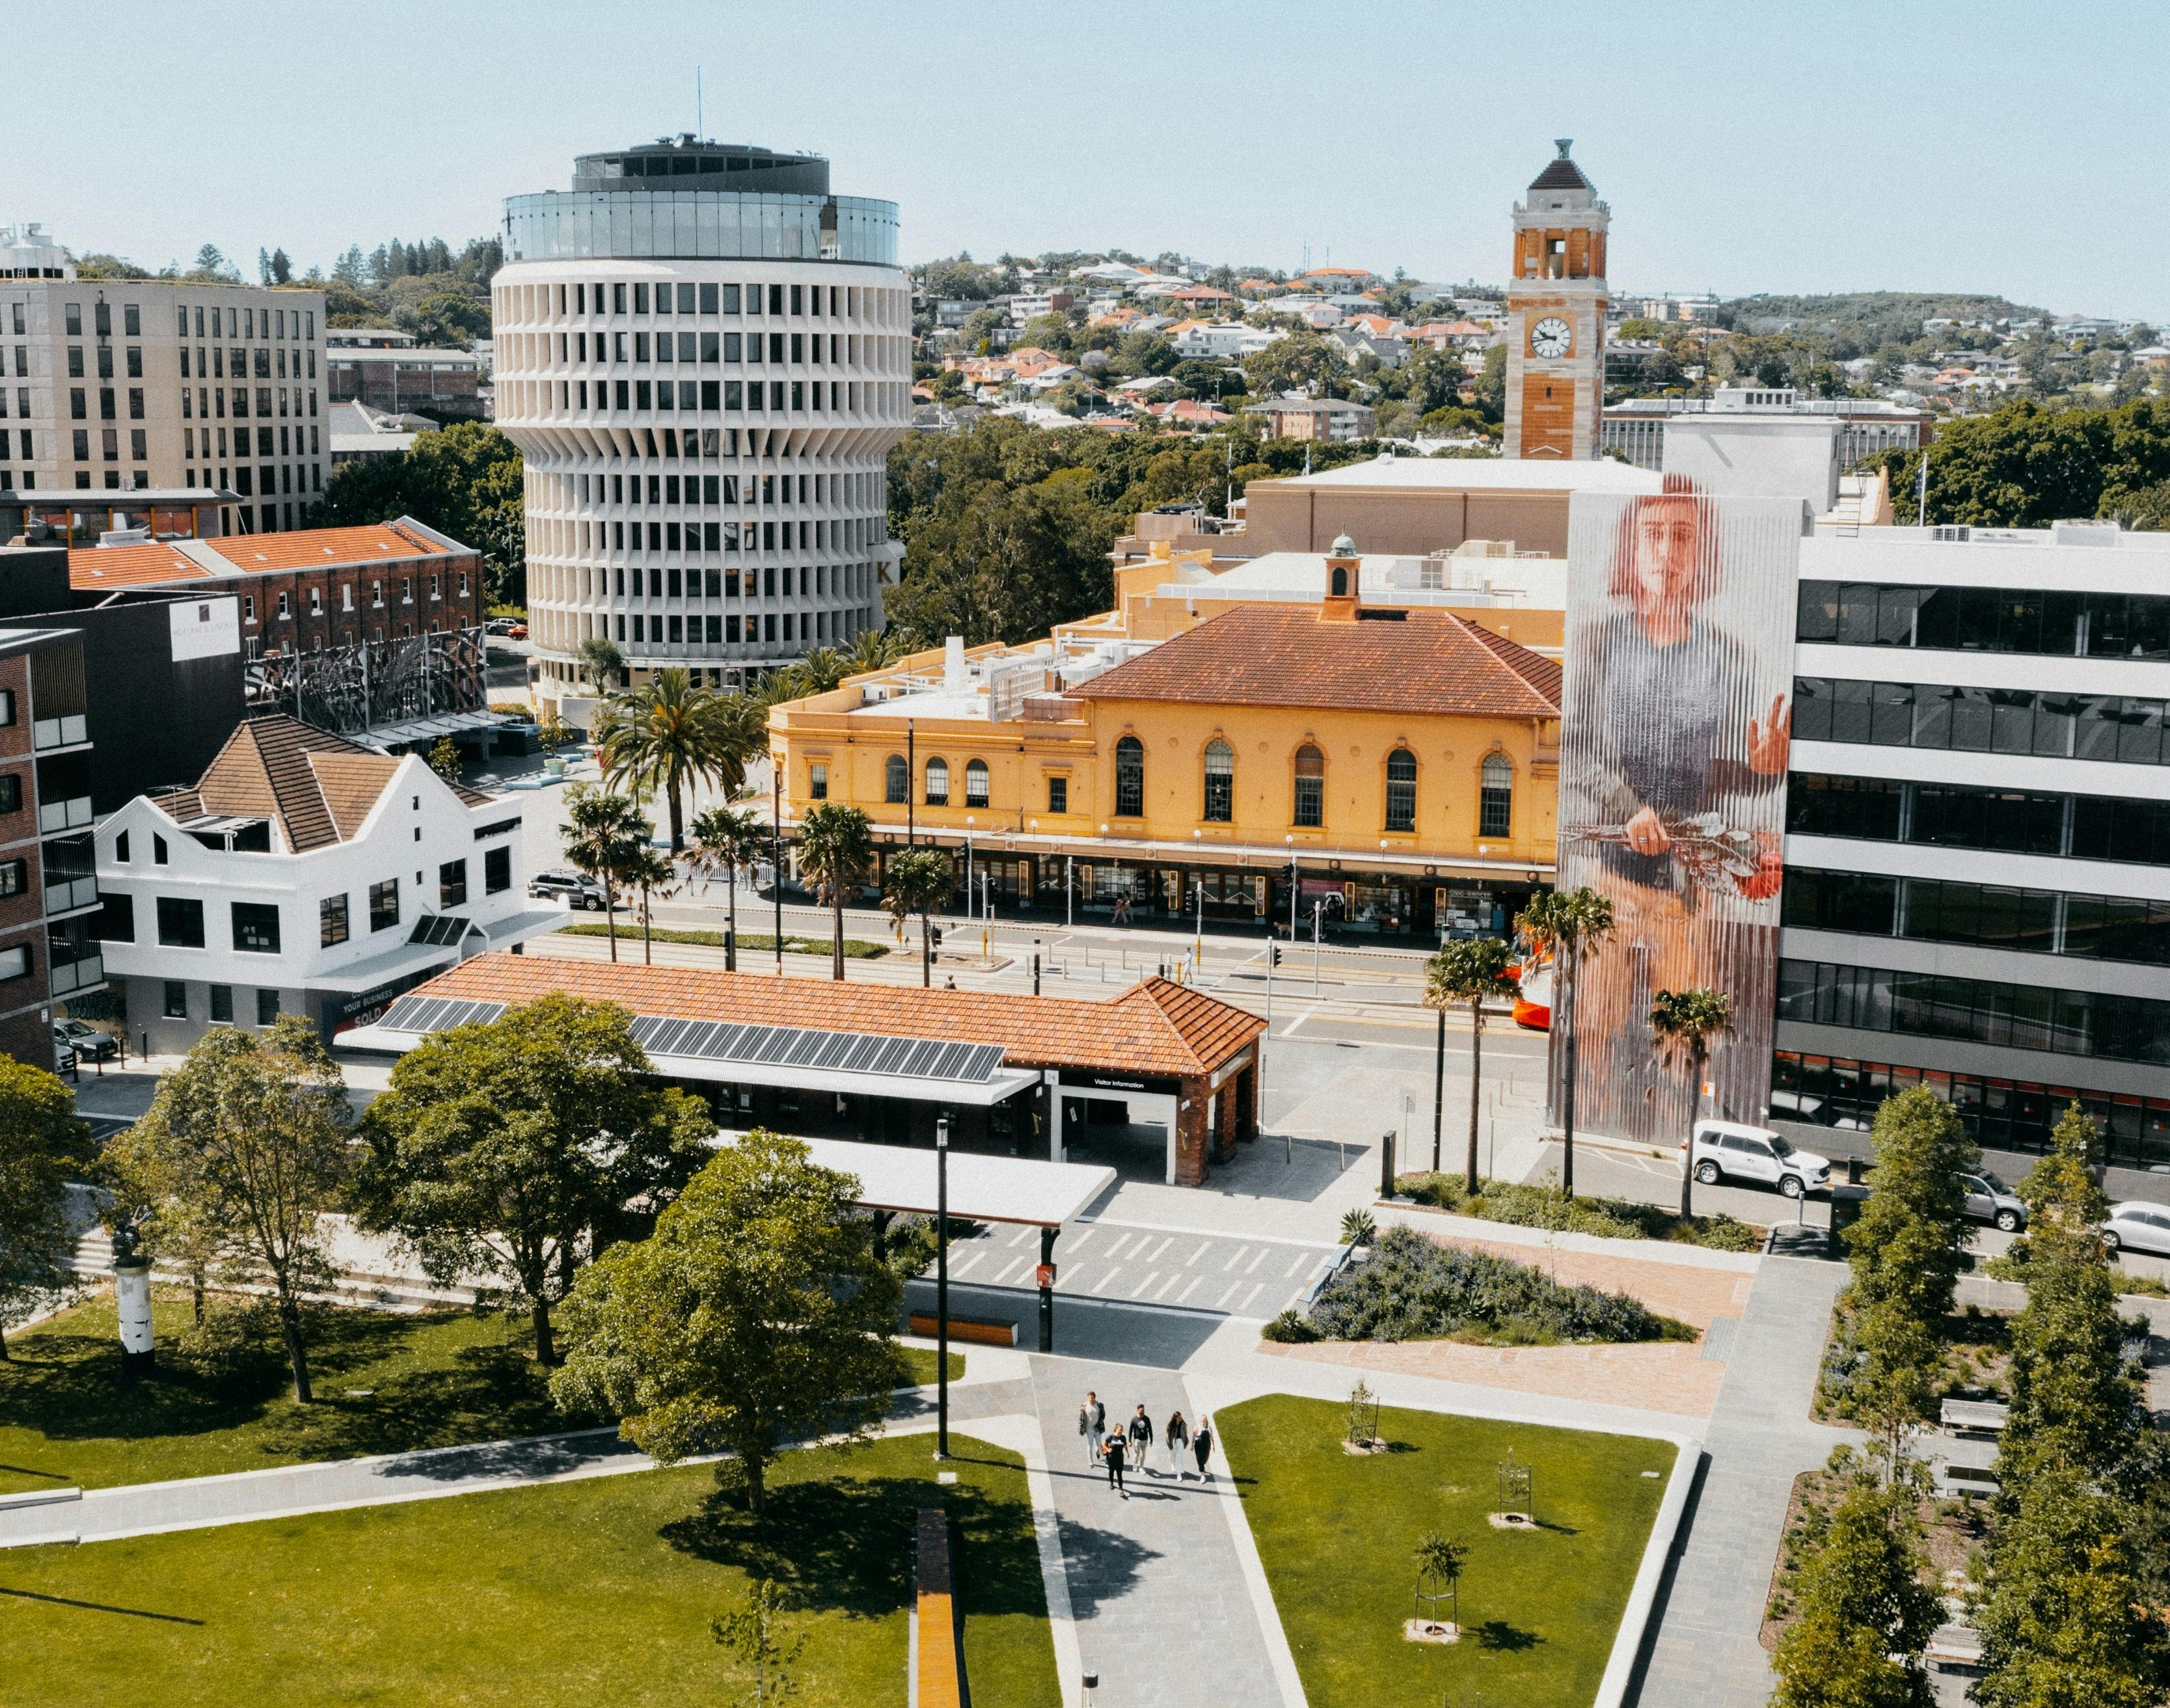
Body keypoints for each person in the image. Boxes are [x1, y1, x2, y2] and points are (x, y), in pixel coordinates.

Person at [1079, 1390, 1105, 1469]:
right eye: (1090, 1398)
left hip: (1097, 1428)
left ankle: (1097, 1450)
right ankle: (1090, 1461)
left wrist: (1100, 1423)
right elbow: (1081, 1418)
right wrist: (1081, 1428)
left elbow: (1103, 1415)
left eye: (1092, 1398)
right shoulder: (1084, 1406)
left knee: (1098, 1444)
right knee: (1090, 1445)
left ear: (1095, 1398)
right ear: (1088, 1398)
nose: (1091, 1399)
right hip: (1089, 1429)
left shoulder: (1099, 1405)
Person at [1165, 1409, 1190, 1479]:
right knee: (1173, 1455)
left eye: (1181, 1417)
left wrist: (1186, 1442)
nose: (1180, 1419)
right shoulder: (1171, 1426)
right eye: (1179, 1418)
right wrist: (1170, 1445)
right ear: (1175, 1418)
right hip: (1173, 1442)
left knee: (1179, 1457)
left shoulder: (1183, 1425)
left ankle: (1179, 1474)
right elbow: (1168, 1437)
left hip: (1181, 1442)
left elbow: (1185, 1434)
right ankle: (1173, 1465)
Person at [1127, 1403, 1154, 1472]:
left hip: (1145, 1440)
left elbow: (1150, 1429)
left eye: (1143, 1410)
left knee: (1143, 1455)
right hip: (1137, 1440)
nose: (1143, 1412)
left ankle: (1141, 1467)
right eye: (1141, 1410)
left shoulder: (1147, 1419)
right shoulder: (1134, 1420)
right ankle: (1135, 1464)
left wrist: (1151, 1440)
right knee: (1137, 1454)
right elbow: (1130, 1430)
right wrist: (1129, 1440)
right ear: (1138, 1410)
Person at [1103, 1425, 1128, 1497]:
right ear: (1116, 1429)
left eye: (1122, 1430)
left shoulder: (1123, 1437)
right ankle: (1111, 1483)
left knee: (1119, 1475)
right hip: (1111, 1458)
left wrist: (1128, 1453)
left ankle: (1121, 1490)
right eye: (1120, 1430)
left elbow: (1125, 1445)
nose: (1121, 1431)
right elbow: (1103, 1443)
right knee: (1111, 1471)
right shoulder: (1110, 1437)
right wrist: (1108, 1449)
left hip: (1120, 1459)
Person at [1192, 1414, 1214, 1484]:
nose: (1203, 1423)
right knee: (1200, 1460)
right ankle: (1202, 1476)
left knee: (1205, 1460)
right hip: (1198, 1447)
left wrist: (1214, 1446)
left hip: (1206, 1447)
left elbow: (1212, 1438)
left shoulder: (1209, 1429)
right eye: (1202, 1421)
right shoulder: (1197, 1428)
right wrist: (1192, 1446)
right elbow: (1193, 1437)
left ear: (1207, 1421)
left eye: (1204, 1421)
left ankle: (1202, 1467)